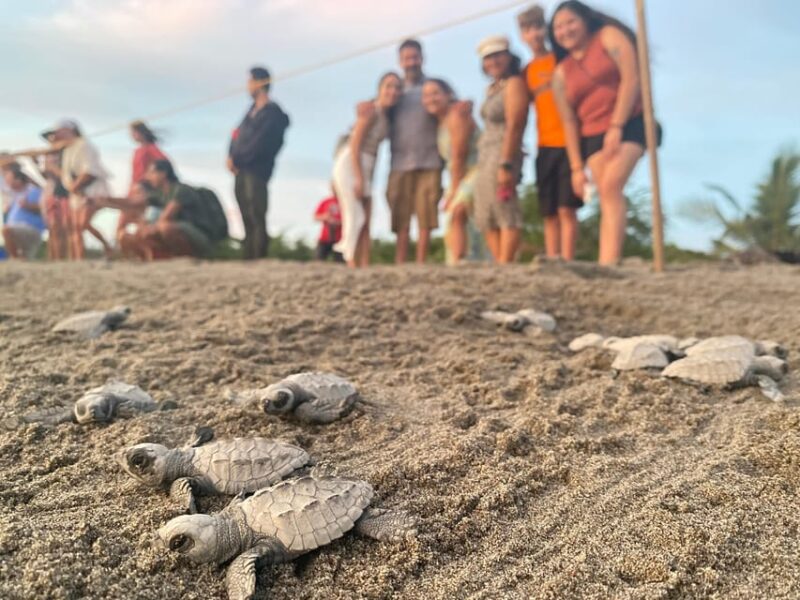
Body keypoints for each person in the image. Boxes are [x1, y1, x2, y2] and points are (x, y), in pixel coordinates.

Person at [549, 1, 661, 265]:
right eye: (558, 27)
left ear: (585, 20)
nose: (565, 30)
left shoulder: (608, 37)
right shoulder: (561, 72)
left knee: (611, 185)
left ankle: (608, 261)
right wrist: (577, 168)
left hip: (631, 120)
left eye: (570, 22)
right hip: (591, 134)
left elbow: (631, 78)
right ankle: (608, 259)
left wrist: (617, 126)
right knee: (606, 194)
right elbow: (568, 121)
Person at [518, 5, 583, 260]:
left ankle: (567, 259)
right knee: (549, 209)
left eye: (537, 27)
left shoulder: (562, 60)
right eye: (527, 30)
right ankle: (552, 257)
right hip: (543, 144)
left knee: (567, 207)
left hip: (569, 143)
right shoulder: (527, 72)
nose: (533, 34)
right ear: (522, 35)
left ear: (545, 30)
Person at [332, 72, 402, 267]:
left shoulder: (387, 116)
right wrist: (359, 177)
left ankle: (363, 261)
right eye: (388, 86)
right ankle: (349, 258)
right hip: (353, 162)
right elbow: (355, 144)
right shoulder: (371, 111)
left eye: (397, 87)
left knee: (367, 213)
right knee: (355, 213)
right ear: (379, 89)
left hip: (367, 163)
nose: (393, 91)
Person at [473, 36, 529, 264]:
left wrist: (506, 162)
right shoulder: (492, 89)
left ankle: (507, 261)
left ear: (508, 56)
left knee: (504, 206)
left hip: (503, 149)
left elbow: (515, 124)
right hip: (485, 152)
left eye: (497, 55)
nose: (493, 61)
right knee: (485, 209)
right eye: (488, 58)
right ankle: (500, 261)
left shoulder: (514, 83)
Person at [387, 39, 443, 264]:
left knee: (426, 216)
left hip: (430, 160)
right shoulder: (395, 90)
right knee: (400, 217)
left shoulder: (434, 87)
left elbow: (450, 107)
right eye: (407, 58)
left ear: (422, 57)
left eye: (415, 57)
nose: (411, 62)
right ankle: (400, 262)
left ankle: (421, 262)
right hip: (400, 161)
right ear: (400, 61)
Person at [228, 66, 290, 260]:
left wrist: (240, 157)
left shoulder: (273, 114)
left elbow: (263, 143)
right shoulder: (250, 113)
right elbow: (236, 135)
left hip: (257, 170)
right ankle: (248, 257)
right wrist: (231, 156)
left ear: (260, 83)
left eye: (250, 82)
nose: (247, 86)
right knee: (245, 212)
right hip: (241, 169)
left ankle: (258, 257)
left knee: (256, 212)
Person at [421, 79, 480, 265]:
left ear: (448, 95)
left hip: (475, 170)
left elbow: (459, 156)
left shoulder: (457, 114)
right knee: (456, 219)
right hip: (459, 173)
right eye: (427, 95)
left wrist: (454, 189)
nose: (431, 98)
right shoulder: (440, 122)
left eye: (436, 93)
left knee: (458, 210)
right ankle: (458, 259)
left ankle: (462, 260)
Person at [44, 119, 112, 260]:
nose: (57, 135)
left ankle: (106, 248)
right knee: (75, 227)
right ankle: (77, 260)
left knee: (80, 225)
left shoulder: (83, 145)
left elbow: (89, 171)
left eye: (60, 132)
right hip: (77, 193)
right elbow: (67, 175)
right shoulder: (68, 149)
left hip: (91, 191)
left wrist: (74, 187)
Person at [116, 121, 167, 245]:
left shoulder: (151, 148)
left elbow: (164, 164)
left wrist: (148, 180)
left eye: (133, 132)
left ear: (140, 132)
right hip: (133, 189)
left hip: (145, 190)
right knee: (124, 221)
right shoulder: (138, 150)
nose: (132, 136)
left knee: (140, 221)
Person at [2, 166, 45, 259]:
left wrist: (28, 206)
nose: (6, 182)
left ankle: (15, 258)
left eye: (9, 179)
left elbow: (43, 209)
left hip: (31, 230)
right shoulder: (15, 194)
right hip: (19, 232)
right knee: (25, 258)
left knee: (6, 230)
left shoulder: (34, 191)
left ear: (18, 180)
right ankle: (18, 258)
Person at [313, 188, 344, 263]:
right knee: (319, 261)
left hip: (340, 239)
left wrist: (338, 222)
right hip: (324, 238)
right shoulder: (325, 201)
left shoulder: (345, 202)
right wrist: (325, 217)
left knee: (340, 263)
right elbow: (315, 216)